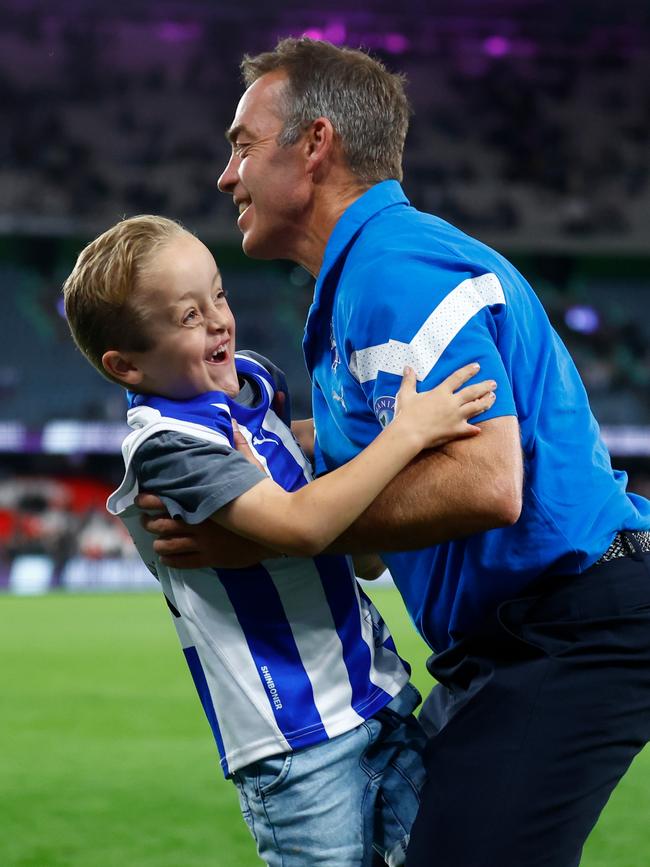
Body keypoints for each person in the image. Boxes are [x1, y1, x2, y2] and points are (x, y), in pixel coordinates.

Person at [139, 37, 650, 867]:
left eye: (241, 145)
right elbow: (376, 547)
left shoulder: (394, 270)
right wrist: (256, 464)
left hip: (573, 626)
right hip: (521, 636)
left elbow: (488, 484)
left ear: (315, 146)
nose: (224, 177)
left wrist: (273, 531)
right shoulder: (358, 289)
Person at [62, 214, 497, 867]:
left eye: (219, 295)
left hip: (373, 692)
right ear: (125, 365)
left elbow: (347, 528)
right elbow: (302, 525)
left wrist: (329, 443)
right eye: (187, 315)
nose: (218, 320)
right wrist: (406, 432)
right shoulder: (166, 446)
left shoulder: (254, 382)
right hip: (294, 739)